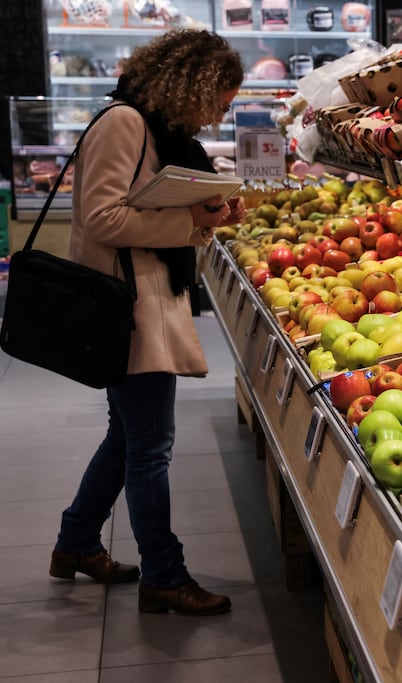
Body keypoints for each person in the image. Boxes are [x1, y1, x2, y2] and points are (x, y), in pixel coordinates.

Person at [48, 29, 246, 616]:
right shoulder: (125, 123)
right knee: (151, 448)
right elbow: (103, 217)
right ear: (195, 86)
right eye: (220, 102)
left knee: (129, 435)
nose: (219, 115)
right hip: (129, 308)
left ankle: (77, 542)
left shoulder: (160, 130)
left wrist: (208, 211)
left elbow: (143, 203)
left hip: (145, 299)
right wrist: (188, 220)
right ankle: (163, 573)